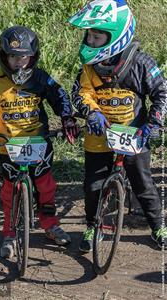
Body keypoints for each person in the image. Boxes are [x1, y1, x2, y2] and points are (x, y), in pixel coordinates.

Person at [68, 0, 167, 252]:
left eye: (97, 36)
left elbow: (162, 93)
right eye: (88, 35)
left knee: (143, 182)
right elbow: (80, 93)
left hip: (135, 133)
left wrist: (153, 124)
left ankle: (157, 226)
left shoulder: (142, 63)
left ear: (117, 36)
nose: (90, 41)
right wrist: (91, 112)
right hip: (99, 135)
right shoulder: (89, 67)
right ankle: (92, 225)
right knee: (93, 186)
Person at [0, 25, 79, 259]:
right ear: (4, 57)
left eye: (24, 56)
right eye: (13, 56)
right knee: (9, 189)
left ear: (32, 56)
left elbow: (59, 96)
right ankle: (10, 233)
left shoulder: (41, 78)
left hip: (39, 142)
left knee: (45, 185)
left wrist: (67, 118)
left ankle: (50, 224)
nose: (18, 62)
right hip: (7, 144)